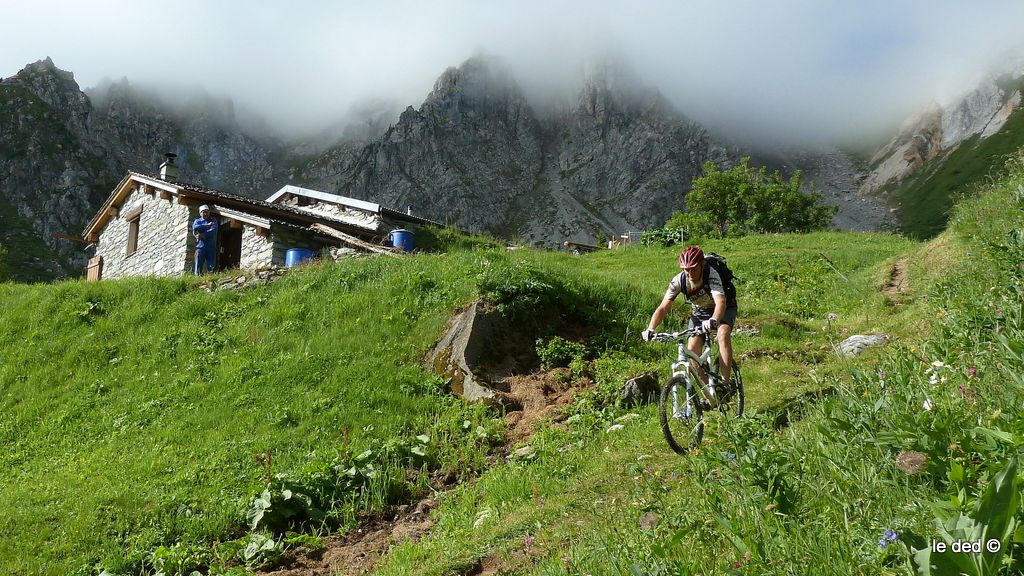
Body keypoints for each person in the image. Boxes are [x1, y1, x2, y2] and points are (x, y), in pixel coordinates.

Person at [642, 245, 738, 401]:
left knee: (723, 333)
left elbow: (720, 302)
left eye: (693, 269)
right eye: (686, 269)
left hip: (723, 309)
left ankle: (726, 385)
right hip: (700, 312)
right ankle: (711, 394)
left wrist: (714, 320)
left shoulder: (711, 274)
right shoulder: (679, 280)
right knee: (692, 351)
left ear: (702, 264)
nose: (689, 273)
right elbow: (663, 307)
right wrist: (650, 328)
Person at [192, 205, 218, 274]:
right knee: (198, 263)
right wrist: (207, 226)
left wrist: (203, 235)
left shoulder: (213, 220)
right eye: (203, 212)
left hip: (210, 245)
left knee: (211, 264)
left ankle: (211, 277)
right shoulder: (197, 221)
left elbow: (213, 230)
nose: (206, 214)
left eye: (207, 212)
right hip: (200, 246)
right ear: (200, 213)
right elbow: (195, 228)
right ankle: (197, 278)